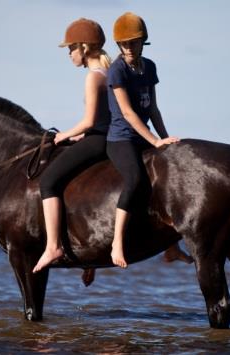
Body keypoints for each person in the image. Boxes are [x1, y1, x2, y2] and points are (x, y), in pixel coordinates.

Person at [33, 18, 112, 273]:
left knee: (47, 181)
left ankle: (53, 246)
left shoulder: (93, 77)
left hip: (98, 140)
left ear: (84, 47)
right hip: (103, 136)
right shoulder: (109, 72)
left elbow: (89, 121)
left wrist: (63, 135)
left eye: (70, 48)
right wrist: (78, 138)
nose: (68, 54)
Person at [107, 12, 180, 268]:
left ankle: (172, 247)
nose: (128, 47)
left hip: (144, 135)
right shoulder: (117, 71)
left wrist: (164, 139)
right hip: (121, 139)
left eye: (133, 42)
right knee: (136, 179)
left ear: (143, 41)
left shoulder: (149, 67)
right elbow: (127, 113)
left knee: (171, 173)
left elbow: (153, 109)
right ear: (118, 45)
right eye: (124, 43)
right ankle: (117, 242)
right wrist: (153, 140)